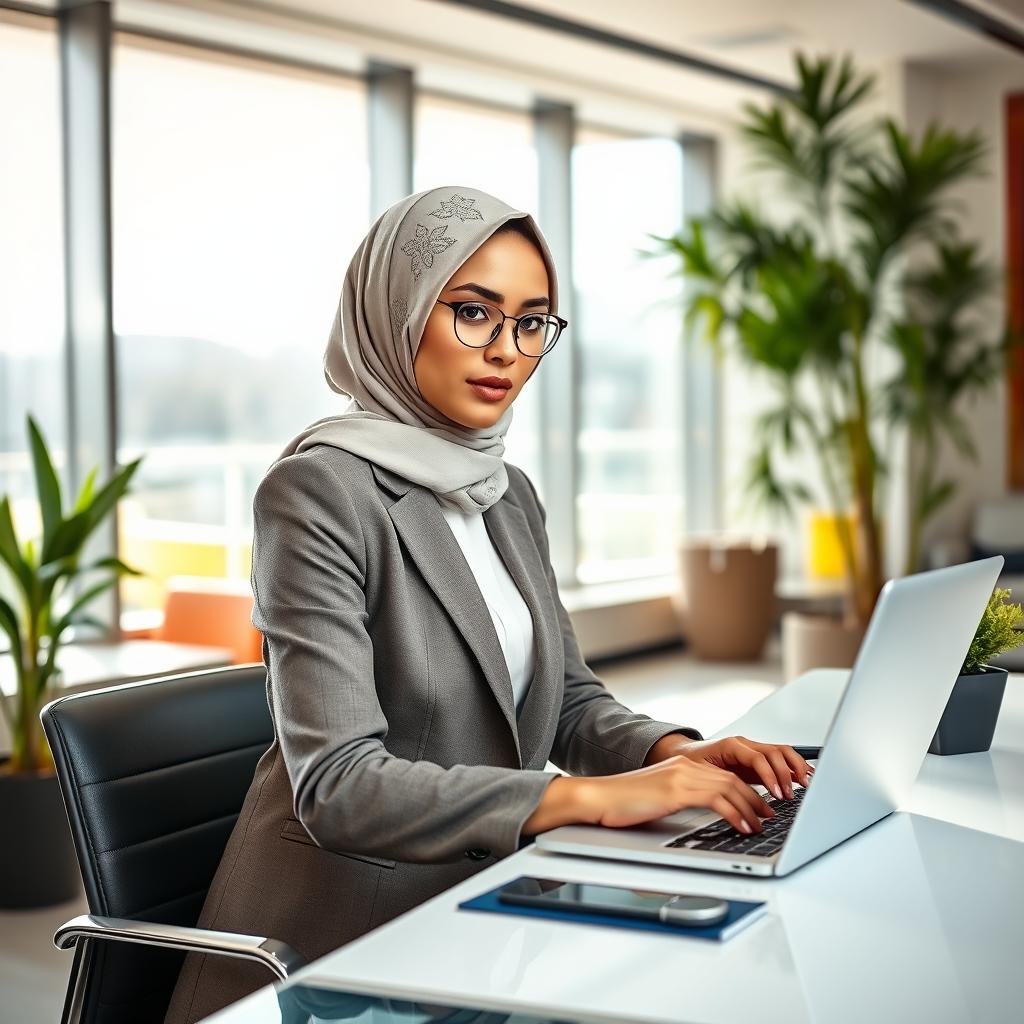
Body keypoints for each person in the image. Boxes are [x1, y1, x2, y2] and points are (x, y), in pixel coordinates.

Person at [163, 185, 813, 1024]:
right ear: (396, 316)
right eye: (473, 312)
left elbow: (570, 698)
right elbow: (339, 785)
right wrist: (581, 799)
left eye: (531, 322)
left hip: (490, 903)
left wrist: (683, 753)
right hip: (342, 946)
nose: (506, 349)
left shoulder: (507, 496)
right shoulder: (317, 492)